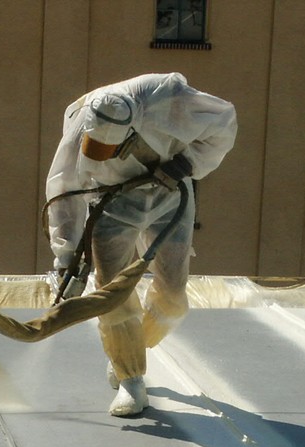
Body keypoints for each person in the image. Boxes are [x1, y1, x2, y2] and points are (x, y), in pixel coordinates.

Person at [45, 73, 237, 417]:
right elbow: (63, 187)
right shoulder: (83, 119)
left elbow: (225, 122)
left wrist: (185, 164)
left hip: (170, 195)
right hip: (113, 202)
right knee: (112, 293)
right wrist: (66, 256)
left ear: (132, 129)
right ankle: (130, 377)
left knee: (173, 295)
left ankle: (130, 347)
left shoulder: (171, 98)